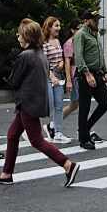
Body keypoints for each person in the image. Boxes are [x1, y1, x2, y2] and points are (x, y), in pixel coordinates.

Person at [0, 19, 80, 187]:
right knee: (12, 135)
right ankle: (6, 173)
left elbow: (14, 81)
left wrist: (5, 73)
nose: (18, 37)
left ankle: (67, 164)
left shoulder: (25, 56)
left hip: (27, 102)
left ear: (27, 37)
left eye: (20, 35)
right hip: (34, 101)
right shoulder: (39, 54)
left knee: (37, 140)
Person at [70, 9, 107, 149]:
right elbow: (79, 57)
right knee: (85, 107)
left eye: (98, 20)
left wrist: (105, 72)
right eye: (95, 20)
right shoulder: (80, 35)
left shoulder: (95, 35)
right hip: (85, 75)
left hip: (98, 74)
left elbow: (100, 54)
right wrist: (87, 74)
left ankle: (85, 128)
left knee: (105, 103)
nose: (97, 22)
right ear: (86, 20)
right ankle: (83, 139)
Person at [42, 15, 71, 143]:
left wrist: (61, 63)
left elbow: (61, 57)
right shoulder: (44, 44)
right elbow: (43, 62)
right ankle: (30, 128)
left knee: (59, 105)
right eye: (56, 26)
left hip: (58, 76)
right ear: (49, 27)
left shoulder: (58, 42)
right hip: (48, 76)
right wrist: (51, 76)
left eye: (59, 25)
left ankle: (57, 132)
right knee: (50, 104)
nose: (59, 28)